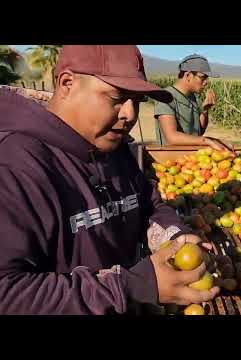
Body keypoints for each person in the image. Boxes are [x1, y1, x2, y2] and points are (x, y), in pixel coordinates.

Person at [0, 45, 219, 315]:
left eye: (136, 101)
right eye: (117, 97)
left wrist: (174, 235)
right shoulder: (15, 165)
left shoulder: (114, 149)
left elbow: (147, 204)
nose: (130, 115)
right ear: (67, 84)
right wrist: (131, 287)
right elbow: (7, 293)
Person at [154, 54, 230, 151]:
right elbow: (172, 137)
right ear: (188, 75)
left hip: (191, 161)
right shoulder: (165, 97)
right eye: (203, 77)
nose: (206, 82)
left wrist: (205, 111)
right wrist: (207, 141)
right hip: (171, 160)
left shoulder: (193, 97)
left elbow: (198, 133)